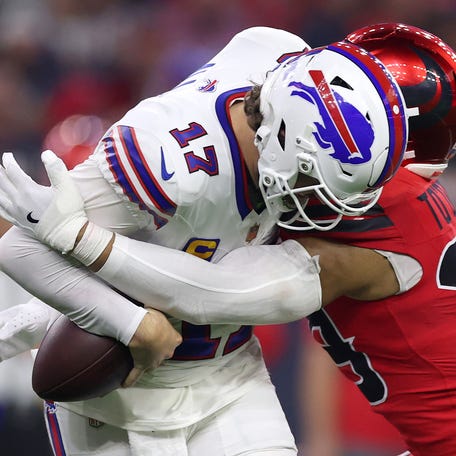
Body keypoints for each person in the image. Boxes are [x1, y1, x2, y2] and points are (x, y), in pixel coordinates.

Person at [0, 26, 409, 456]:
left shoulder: (285, 58)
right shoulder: (167, 163)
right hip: (117, 398)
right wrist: (130, 323)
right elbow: (19, 247)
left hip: (229, 376)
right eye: (310, 178)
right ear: (280, 138)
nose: (318, 200)